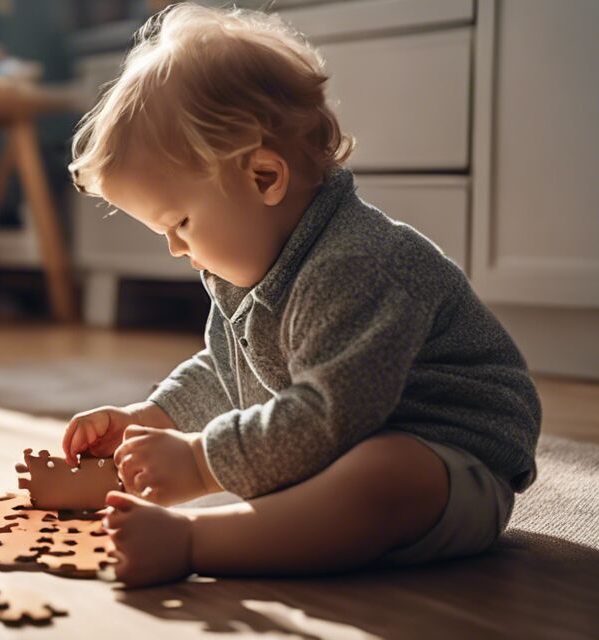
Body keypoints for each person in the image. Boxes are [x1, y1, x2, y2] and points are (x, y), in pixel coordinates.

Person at [61, 4, 540, 587]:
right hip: (345, 445)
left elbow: (327, 417)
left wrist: (198, 462)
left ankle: (197, 543)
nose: (174, 248)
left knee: (383, 474)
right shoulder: (254, 267)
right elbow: (226, 369)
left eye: (180, 222)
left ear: (264, 177)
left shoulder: (361, 265)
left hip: (451, 465)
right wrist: (150, 419)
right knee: (335, 475)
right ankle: (288, 524)